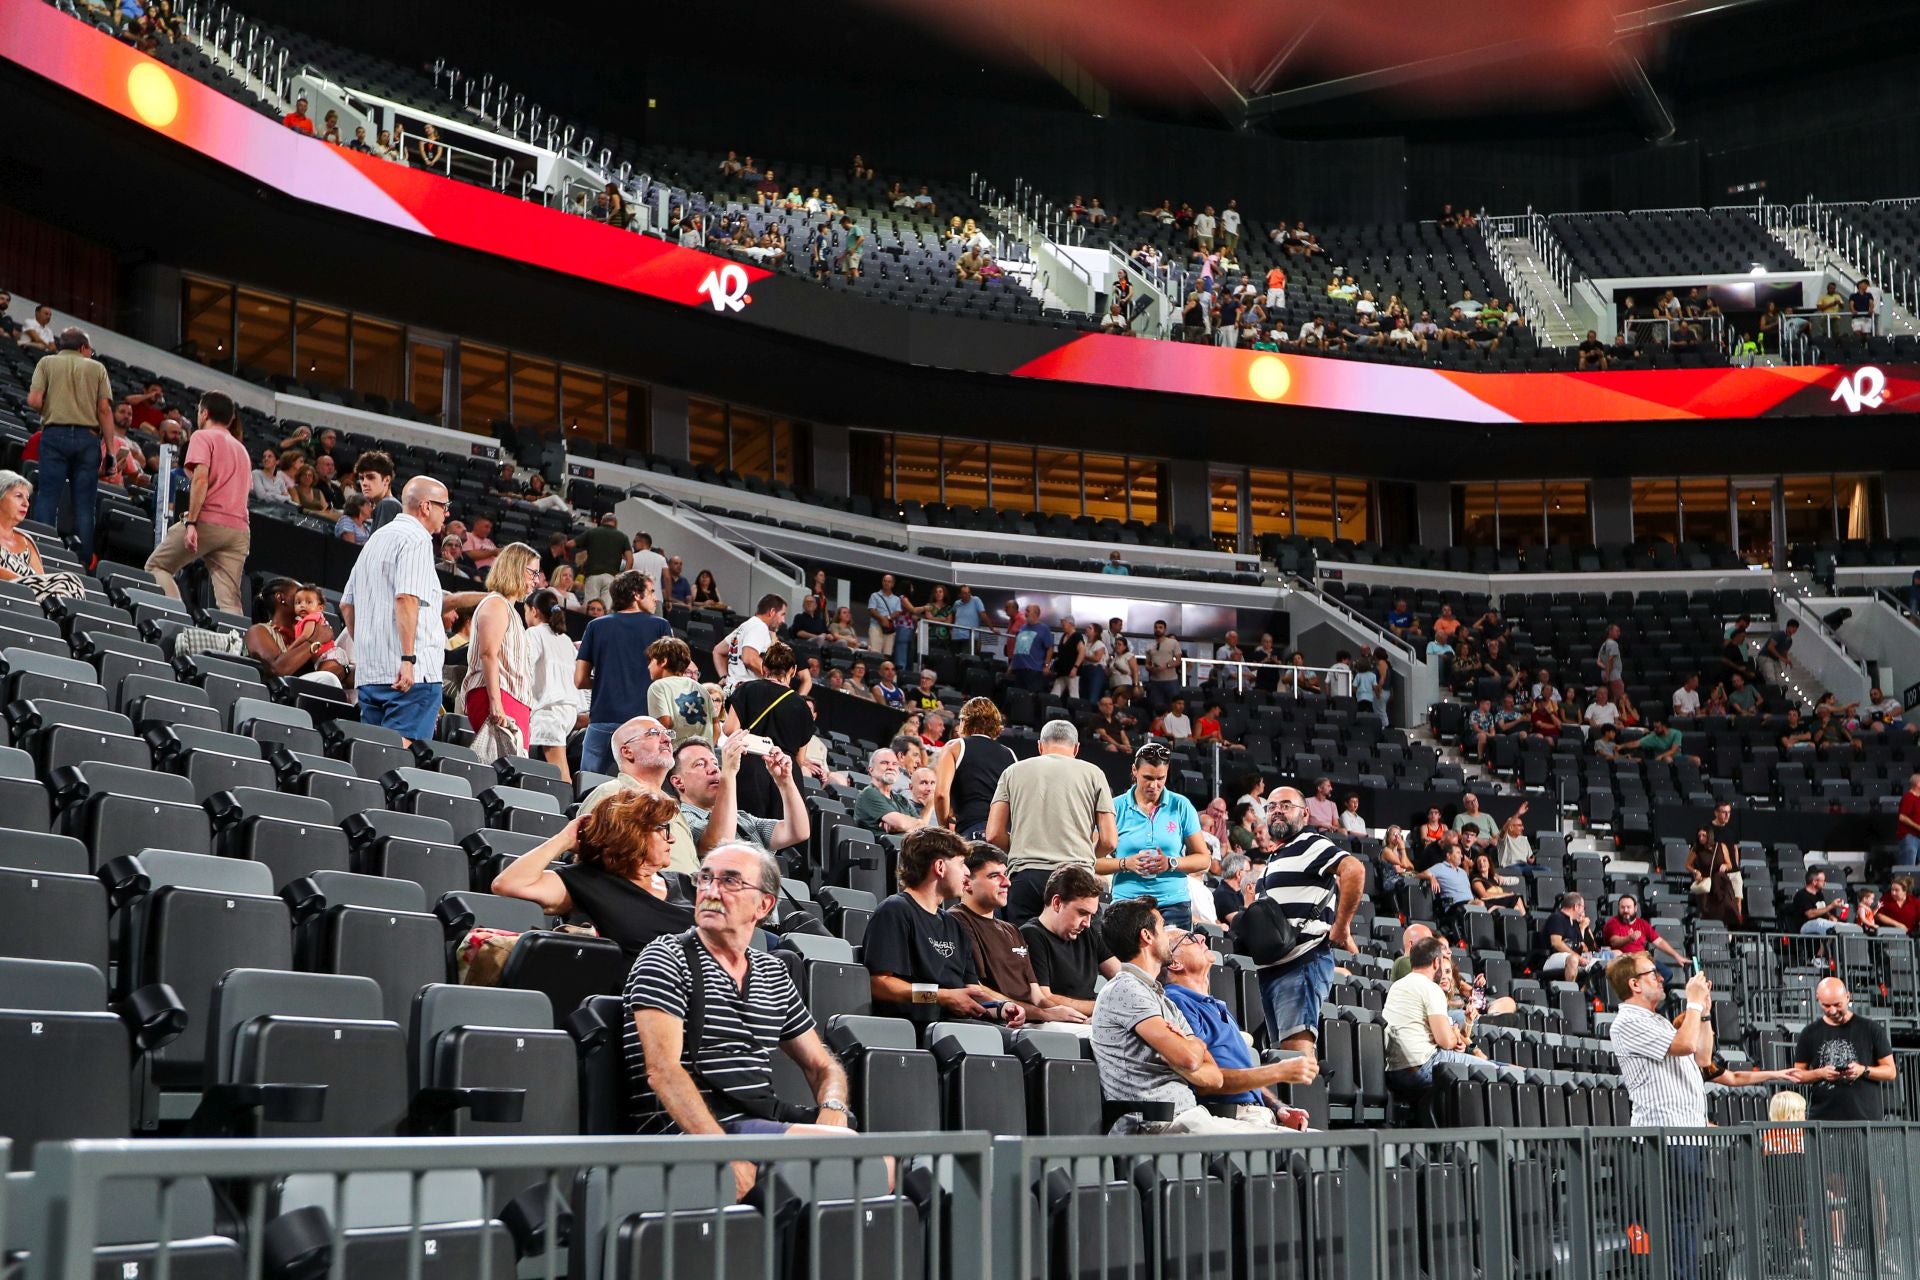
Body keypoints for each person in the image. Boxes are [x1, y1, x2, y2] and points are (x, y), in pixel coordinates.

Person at [624, 843, 857, 1180]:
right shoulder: (666, 956)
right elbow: (663, 1071)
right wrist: (722, 1155)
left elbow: (823, 1064)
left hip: (757, 1120)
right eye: (705, 879)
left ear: (764, 905)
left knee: (881, 1162)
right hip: (691, 1130)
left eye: (730, 881)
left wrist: (833, 1108)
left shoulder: (772, 971)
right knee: (854, 1165)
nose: (711, 891)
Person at [1090, 898, 1278, 1134]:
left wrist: (1191, 1046)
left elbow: (1214, 1077)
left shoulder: (1162, 999)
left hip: (1191, 1118)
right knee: (1284, 1147)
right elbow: (1190, 1059)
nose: (1165, 938)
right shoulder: (1126, 988)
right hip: (1154, 1124)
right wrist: (1192, 1046)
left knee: (1299, 1143)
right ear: (1147, 936)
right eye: (1161, 927)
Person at [491, 786, 691, 958]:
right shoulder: (586, 881)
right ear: (631, 834)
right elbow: (508, 883)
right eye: (662, 828)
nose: (671, 838)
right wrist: (565, 839)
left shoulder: (687, 885)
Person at [864, 829, 1027, 1028]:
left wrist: (1001, 1007)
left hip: (957, 1025)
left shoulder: (954, 925)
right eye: (961, 864)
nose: (967, 873)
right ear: (940, 867)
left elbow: (970, 989)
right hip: (918, 1028)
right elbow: (880, 985)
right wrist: (941, 997)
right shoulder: (895, 911)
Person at [1162, 928, 1315, 1129]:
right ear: (1175, 963)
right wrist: (1278, 1071)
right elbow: (1206, 1079)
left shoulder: (1215, 1005)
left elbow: (1244, 1073)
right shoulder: (1177, 1001)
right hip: (1229, 1119)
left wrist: (1279, 1108)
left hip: (1258, 1115)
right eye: (1189, 938)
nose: (1201, 937)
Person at [1253, 787, 1364, 1058]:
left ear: (1305, 813)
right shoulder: (1277, 855)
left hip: (1301, 961)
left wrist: (1341, 926)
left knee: (1295, 1054)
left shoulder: (1311, 843)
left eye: (1286, 805)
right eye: (1271, 806)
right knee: (1282, 1057)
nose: (1277, 810)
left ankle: (1307, 1101)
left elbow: (1354, 869)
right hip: (1274, 967)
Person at [340, 476, 449, 746]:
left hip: (371, 674)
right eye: (444, 506)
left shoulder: (377, 539)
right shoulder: (417, 539)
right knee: (394, 757)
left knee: (373, 752)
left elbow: (346, 604)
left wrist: (367, 651)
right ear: (426, 506)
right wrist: (407, 659)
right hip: (410, 674)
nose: (446, 513)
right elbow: (406, 598)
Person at [983, 720, 1118, 924]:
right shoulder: (1094, 773)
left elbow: (993, 834)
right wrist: (1085, 854)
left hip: (1025, 877)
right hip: (1077, 877)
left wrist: (1022, 847)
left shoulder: (1012, 772)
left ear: (1039, 746)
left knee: (1022, 952)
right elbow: (1109, 841)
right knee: (1078, 954)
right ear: (1076, 748)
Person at [951, 844, 1090, 1028]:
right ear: (967, 881)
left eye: (1005, 874)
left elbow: (1038, 997)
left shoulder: (1013, 930)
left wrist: (1071, 1015)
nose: (1007, 882)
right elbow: (976, 990)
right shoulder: (957, 920)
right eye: (994, 876)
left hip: (1032, 1021)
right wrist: (1043, 1015)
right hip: (999, 1022)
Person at [1099, 742, 1211, 930]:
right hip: (1127, 904)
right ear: (1134, 770)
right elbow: (1091, 861)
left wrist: (1170, 863)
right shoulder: (1114, 807)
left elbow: (1204, 860)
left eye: (1161, 778)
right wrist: (1125, 864)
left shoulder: (1181, 805)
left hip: (1174, 904)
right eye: (1147, 778)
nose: (1154, 785)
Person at [25, 325, 113, 562]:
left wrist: (56, 409)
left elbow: (33, 400)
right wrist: (111, 451)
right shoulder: (97, 368)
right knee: (84, 505)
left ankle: (41, 552)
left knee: (47, 497)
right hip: (88, 440)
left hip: (54, 435)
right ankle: (83, 562)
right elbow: (104, 409)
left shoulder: (46, 363)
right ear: (83, 347)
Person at [1384, 936, 1497, 1116]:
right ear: (1436, 962)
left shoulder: (1397, 986)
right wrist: (1453, 1035)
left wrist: (1455, 1036)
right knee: (1496, 1074)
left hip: (1396, 1072)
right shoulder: (1430, 988)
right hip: (1423, 1067)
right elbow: (1445, 1041)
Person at [575, 570, 672, 775]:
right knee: (641, 795)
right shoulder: (660, 626)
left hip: (602, 720)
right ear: (636, 595)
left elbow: (579, 680)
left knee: (588, 790)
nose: (655, 598)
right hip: (644, 725)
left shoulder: (595, 626)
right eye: (651, 591)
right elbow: (670, 680)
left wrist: (605, 682)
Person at [1607, 954, 1712, 1127]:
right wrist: (1693, 1002)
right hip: (1665, 1136)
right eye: (1654, 974)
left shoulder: (1659, 1021)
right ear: (1635, 984)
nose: (1662, 978)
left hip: (1688, 1132)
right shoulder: (1627, 1022)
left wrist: (1704, 1011)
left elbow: (1703, 1058)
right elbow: (1686, 1045)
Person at [457, 542, 537, 761]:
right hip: (497, 694)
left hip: (513, 697)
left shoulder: (509, 609)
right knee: (498, 768)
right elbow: (488, 654)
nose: (536, 580)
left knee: (514, 772)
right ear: (515, 568)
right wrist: (496, 702)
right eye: (533, 573)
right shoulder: (495, 604)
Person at [670, 737, 808, 860]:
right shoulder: (679, 821)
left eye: (715, 763)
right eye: (700, 764)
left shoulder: (742, 818)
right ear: (678, 782)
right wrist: (728, 772)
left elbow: (797, 832)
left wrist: (785, 782)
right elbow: (720, 846)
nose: (714, 769)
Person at [723, 639, 813, 818]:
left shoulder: (747, 689)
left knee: (748, 833)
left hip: (751, 766)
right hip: (787, 772)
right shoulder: (803, 705)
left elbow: (730, 729)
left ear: (764, 667)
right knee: (783, 836)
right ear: (793, 671)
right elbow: (800, 757)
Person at [1020, 865, 1119, 1017]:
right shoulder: (1030, 935)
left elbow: (1122, 976)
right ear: (1057, 903)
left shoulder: (1088, 933)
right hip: (1057, 1023)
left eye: (1091, 915)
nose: (1087, 922)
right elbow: (1045, 998)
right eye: (1082, 913)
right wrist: (1106, 1007)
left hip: (1092, 1018)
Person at [1794, 977, 1897, 1120]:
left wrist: (1863, 1070)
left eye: (1837, 1004)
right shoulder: (1809, 1033)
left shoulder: (1871, 1029)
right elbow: (1798, 1074)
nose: (1833, 1010)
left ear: (1848, 997)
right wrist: (1820, 1073)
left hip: (1865, 1120)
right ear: (1818, 999)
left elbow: (1891, 1072)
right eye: (1826, 1006)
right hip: (1824, 1120)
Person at [930, 696, 1015, 838]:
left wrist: (944, 832)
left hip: (972, 831)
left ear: (965, 720)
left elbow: (940, 795)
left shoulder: (955, 746)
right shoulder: (1010, 754)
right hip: (1005, 834)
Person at [523, 588, 581, 781]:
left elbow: (525, 668)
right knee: (551, 772)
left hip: (549, 713)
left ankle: (568, 810)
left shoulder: (534, 633)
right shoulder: (565, 640)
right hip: (569, 713)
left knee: (561, 774)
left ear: (534, 611)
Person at [0, 472, 82, 602]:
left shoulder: (27, 541)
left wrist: (26, 586)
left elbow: (43, 583)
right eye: (18, 496)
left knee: (70, 582)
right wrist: (22, 585)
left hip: (29, 603)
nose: (26, 503)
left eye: (27, 498)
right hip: (7, 596)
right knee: (68, 581)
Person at [646, 636, 713, 750]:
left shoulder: (657, 687)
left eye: (651, 660)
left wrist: (649, 733)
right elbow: (716, 727)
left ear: (663, 661)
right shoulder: (702, 688)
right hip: (704, 753)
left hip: (677, 756)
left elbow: (665, 725)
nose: (648, 666)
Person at [1601, 894, 1687, 983]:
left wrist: (1676, 956)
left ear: (1635, 908)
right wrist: (1629, 939)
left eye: (1628, 907)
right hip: (1624, 961)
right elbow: (1614, 941)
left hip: (1643, 958)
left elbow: (1659, 942)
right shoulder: (1612, 923)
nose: (1625, 910)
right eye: (1622, 907)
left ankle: (1650, 993)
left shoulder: (1642, 923)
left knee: (1666, 973)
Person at [715, 593, 788, 692]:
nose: (783, 620)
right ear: (772, 612)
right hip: (746, 693)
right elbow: (749, 658)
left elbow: (718, 651)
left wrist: (724, 677)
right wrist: (775, 677)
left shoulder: (746, 625)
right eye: (782, 614)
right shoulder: (759, 626)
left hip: (734, 690)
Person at [1539, 893, 1611, 982]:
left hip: (1574, 957)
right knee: (1574, 959)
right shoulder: (1556, 918)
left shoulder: (1574, 923)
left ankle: (1583, 991)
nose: (1583, 912)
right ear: (1576, 907)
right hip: (1550, 958)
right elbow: (1556, 943)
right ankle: (1570, 993)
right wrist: (1578, 956)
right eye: (1583, 908)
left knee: (1603, 964)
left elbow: (1584, 946)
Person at [854, 747, 928, 834]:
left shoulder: (901, 799)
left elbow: (923, 827)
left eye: (894, 764)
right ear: (871, 770)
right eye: (884, 763)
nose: (890, 767)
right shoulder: (868, 793)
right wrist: (908, 825)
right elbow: (901, 824)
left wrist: (903, 826)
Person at [574, 512, 632, 607]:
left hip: (593, 576)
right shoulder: (623, 537)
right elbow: (630, 559)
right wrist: (623, 577)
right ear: (616, 523)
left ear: (602, 522)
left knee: (590, 607)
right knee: (606, 608)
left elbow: (571, 544)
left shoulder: (592, 532)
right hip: (610, 578)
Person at [1008, 604, 1054, 694]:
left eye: (1028, 611)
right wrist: (1011, 665)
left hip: (1033, 670)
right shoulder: (1022, 628)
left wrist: (1047, 665)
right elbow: (1018, 647)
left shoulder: (1043, 629)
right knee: (1018, 696)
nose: (1025, 613)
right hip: (1019, 669)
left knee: (1030, 698)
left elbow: (1050, 648)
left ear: (1036, 613)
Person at [1790, 867, 1843, 935]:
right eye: (1823, 880)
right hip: (1806, 925)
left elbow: (1822, 909)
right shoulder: (1802, 895)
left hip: (1821, 923)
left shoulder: (1819, 894)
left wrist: (1830, 916)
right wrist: (1831, 906)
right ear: (1814, 882)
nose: (1825, 883)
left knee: (1840, 926)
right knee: (1822, 924)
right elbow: (1810, 914)